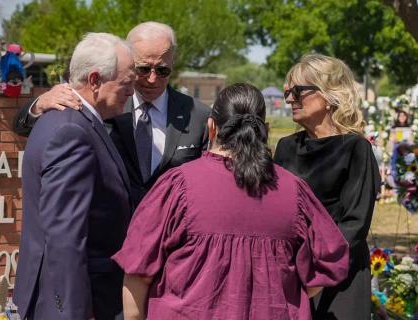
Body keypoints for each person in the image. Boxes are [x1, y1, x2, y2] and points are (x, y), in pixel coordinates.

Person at [114, 83, 349, 320]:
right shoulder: (294, 190)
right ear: (264, 130)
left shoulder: (177, 185)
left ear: (211, 127)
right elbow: (328, 261)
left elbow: (137, 273)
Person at [14, 22, 209, 208]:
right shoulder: (104, 104)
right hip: (113, 235)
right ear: (129, 62)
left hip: (172, 237)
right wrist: (39, 104)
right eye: (143, 69)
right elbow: (21, 127)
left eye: (162, 70)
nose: (152, 78)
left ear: (172, 63)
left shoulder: (198, 115)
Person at [13, 33, 136, 320]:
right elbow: (64, 237)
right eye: (126, 84)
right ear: (95, 80)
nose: (132, 94)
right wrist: (72, 313)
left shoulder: (62, 120)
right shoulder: (72, 132)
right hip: (78, 302)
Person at [274, 54, 380, 319]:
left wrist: (317, 276)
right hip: (289, 270)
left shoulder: (356, 148)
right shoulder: (286, 147)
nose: (289, 100)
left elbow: (354, 224)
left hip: (339, 275)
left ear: (330, 93)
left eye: (298, 91)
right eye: (288, 92)